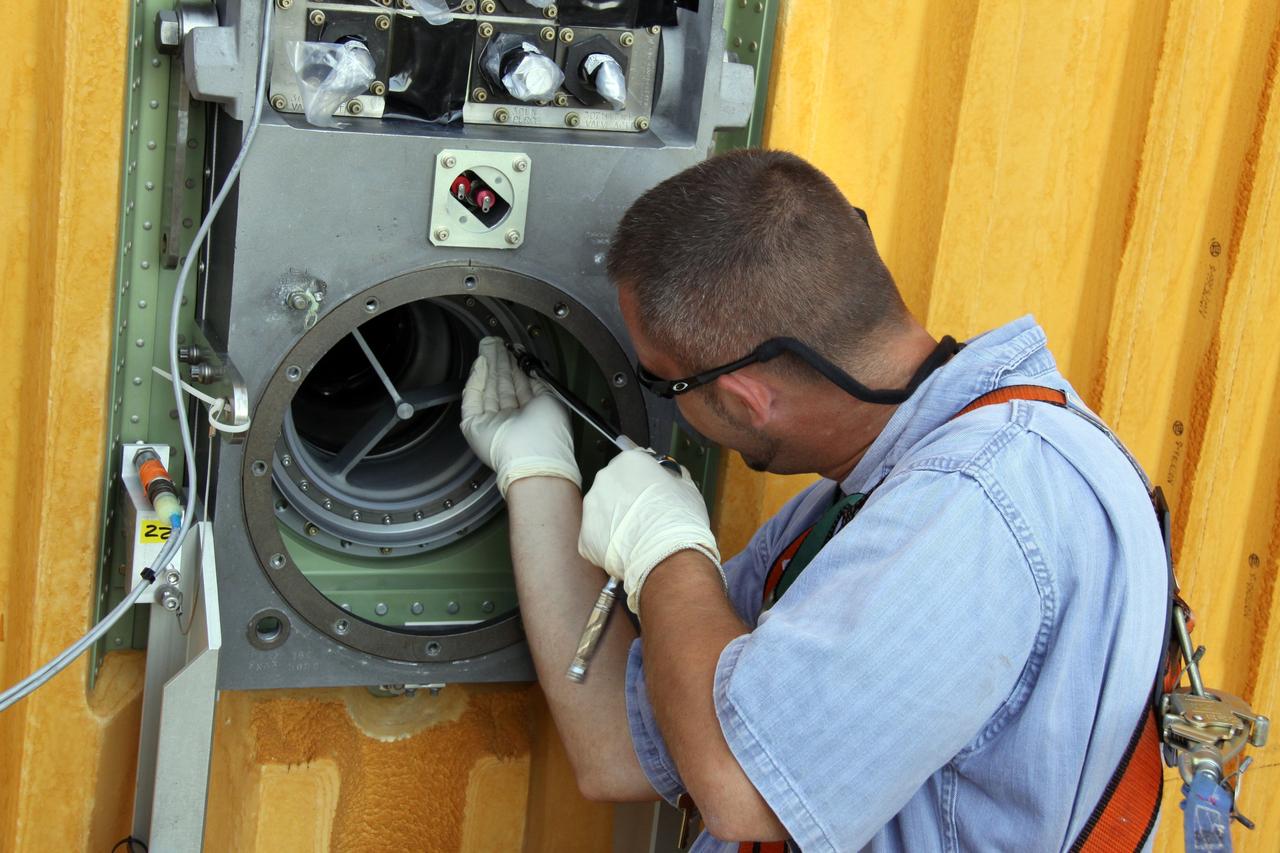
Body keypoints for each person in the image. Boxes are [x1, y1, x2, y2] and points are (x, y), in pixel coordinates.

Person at [459, 149, 1167, 852]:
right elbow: (616, 745)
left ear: (745, 398)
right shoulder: (864, 497)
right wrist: (538, 473)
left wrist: (666, 551)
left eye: (660, 383)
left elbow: (741, 791)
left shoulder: (978, 505)